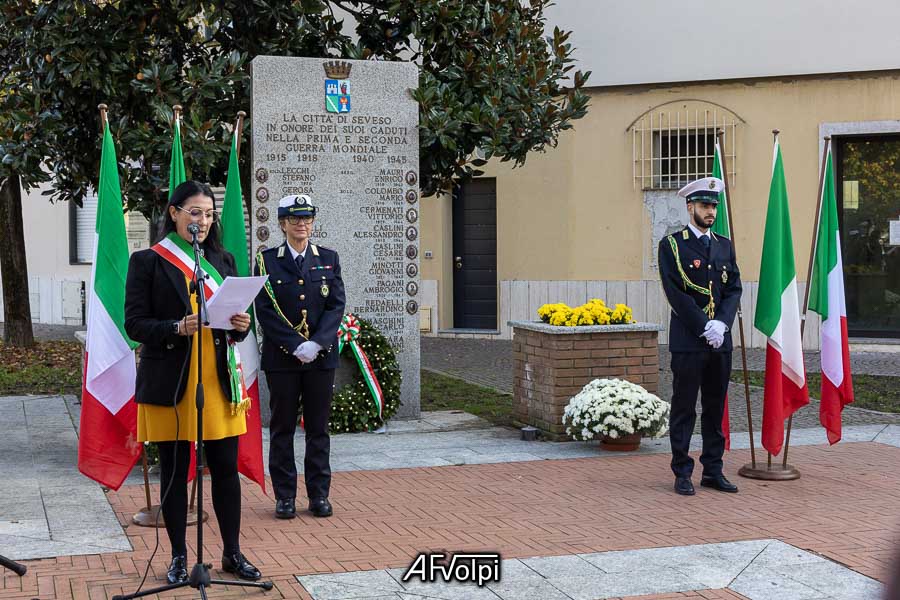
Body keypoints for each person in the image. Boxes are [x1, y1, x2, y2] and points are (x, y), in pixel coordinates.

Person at [124, 181, 262, 584]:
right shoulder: (148, 261)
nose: (202, 221)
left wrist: (240, 326)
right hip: (171, 378)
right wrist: (175, 326)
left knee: (224, 468)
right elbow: (134, 323)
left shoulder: (223, 259)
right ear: (174, 213)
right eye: (194, 213)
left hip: (216, 379)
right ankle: (179, 557)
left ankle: (232, 554)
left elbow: (232, 327)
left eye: (208, 214)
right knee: (174, 470)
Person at [254, 194, 345, 519]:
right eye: (294, 219)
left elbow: (336, 305)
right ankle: (285, 497)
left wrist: (317, 344)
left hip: (321, 360)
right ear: (282, 224)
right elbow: (263, 310)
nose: (301, 225)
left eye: (306, 219)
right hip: (283, 360)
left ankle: (319, 495)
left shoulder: (329, 259)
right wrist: (295, 344)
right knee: (282, 429)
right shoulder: (267, 261)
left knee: (318, 429)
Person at [657, 176, 743, 496]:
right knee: (684, 407)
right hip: (689, 340)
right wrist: (703, 326)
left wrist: (721, 324)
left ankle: (713, 469)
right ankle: (682, 470)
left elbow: (733, 288)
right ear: (690, 206)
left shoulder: (723, 245)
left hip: (719, 341)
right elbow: (675, 292)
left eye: (714, 207)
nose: (711, 212)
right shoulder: (672, 245)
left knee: (715, 406)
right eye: (705, 206)